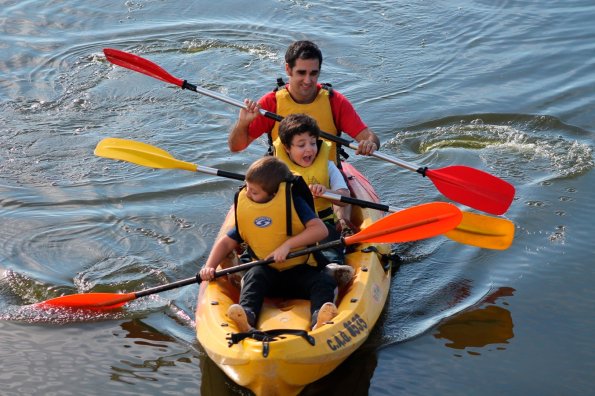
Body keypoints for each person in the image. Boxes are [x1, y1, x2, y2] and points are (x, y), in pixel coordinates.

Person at [199, 156, 338, 332]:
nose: (248, 194)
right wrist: (209, 267)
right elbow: (226, 242)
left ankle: (320, 318)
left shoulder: (294, 202)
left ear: (273, 193)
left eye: (254, 192)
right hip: (266, 272)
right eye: (247, 188)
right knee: (254, 276)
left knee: (323, 281)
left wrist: (287, 245)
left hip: (300, 271)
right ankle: (247, 315)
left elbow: (320, 230)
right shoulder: (247, 206)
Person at [228, 40, 380, 162]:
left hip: (327, 182)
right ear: (288, 69)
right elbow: (236, 147)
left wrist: (370, 144)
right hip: (284, 180)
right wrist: (242, 124)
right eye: (301, 73)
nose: (308, 80)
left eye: (313, 73)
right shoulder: (271, 103)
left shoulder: (335, 102)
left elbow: (369, 137)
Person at [275, 113, 355, 286]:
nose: (309, 149)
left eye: (313, 143)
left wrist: (326, 191)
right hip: (287, 228)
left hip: (322, 225)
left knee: (330, 243)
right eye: (301, 145)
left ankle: (332, 269)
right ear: (287, 148)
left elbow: (345, 198)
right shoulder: (275, 171)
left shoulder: (328, 167)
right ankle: (246, 266)